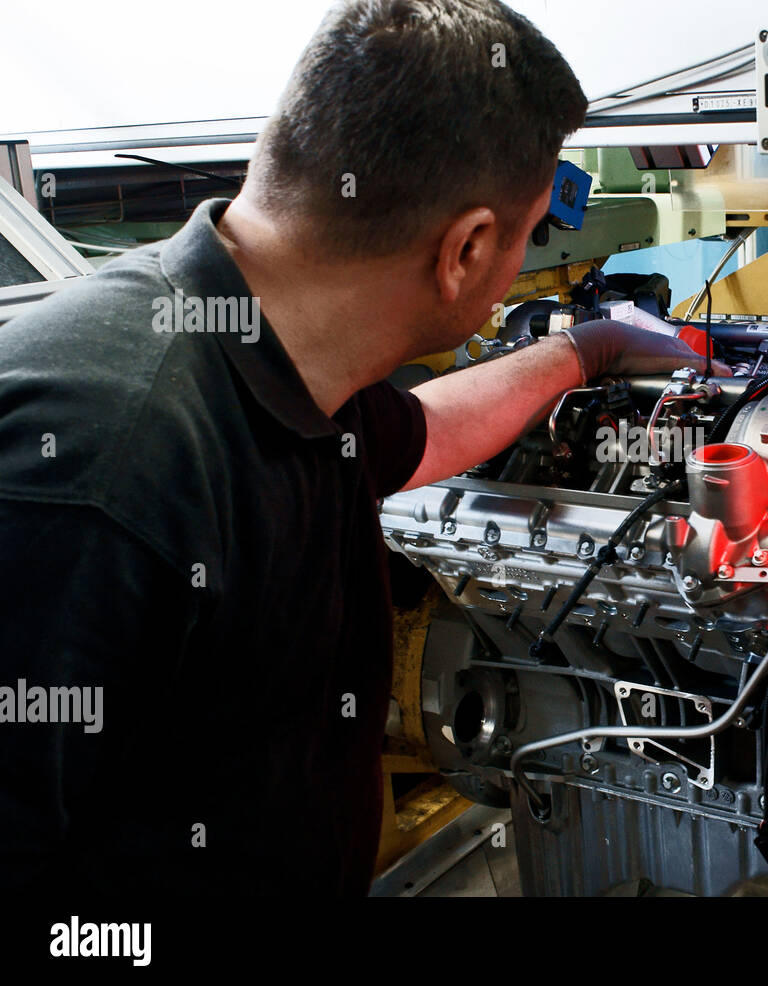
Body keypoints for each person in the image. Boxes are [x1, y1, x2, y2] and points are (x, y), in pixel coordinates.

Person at [0, 0, 704, 895]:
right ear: (468, 249)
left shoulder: (280, 352)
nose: (527, 257)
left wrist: (579, 354)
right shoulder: (100, 472)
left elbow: (428, 431)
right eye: (529, 236)